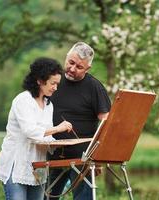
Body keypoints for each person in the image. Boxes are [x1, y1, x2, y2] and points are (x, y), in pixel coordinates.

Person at [0, 57, 73, 200]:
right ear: (39, 80)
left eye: (57, 84)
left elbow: (46, 134)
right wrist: (58, 129)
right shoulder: (23, 100)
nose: (55, 88)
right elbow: (30, 131)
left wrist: (60, 144)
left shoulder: (48, 104)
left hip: (38, 168)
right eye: (53, 83)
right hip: (16, 166)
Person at [47, 42, 111, 200]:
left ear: (87, 68)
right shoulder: (53, 81)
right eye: (71, 62)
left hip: (82, 158)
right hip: (52, 154)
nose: (73, 69)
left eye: (79, 67)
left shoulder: (95, 87)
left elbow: (106, 125)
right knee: (47, 197)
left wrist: (98, 158)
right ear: (66, 58)